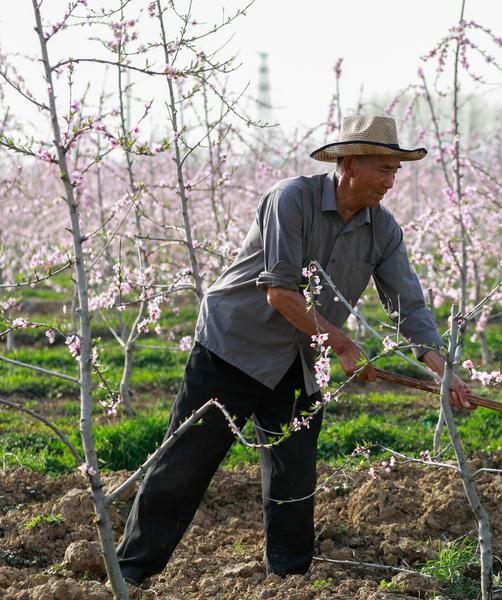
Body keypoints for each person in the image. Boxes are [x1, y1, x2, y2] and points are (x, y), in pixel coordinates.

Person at [116, 114, 472, 584]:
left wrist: (441, 369)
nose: (391, 182)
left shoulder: (383, 230)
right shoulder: (291, 200)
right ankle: (129, 574)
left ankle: (290, 581)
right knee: (185, 464)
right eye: (384, 169)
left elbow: (409, 306)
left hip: (300, 361)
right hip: (234, 348)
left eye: (395, 171)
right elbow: (281, 293)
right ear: (350, 163)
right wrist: (343, 344)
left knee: (295, 478)